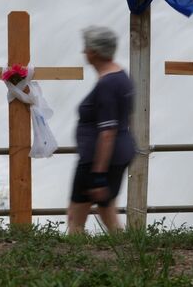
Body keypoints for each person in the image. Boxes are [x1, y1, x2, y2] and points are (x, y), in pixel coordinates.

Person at [68, 26, 136, 234]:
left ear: (94, 52)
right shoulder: (122, 77)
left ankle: (74, 259)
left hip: (98, 159)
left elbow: (108, 132)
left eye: (86, 47)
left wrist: (98, 175)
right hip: (120, 153)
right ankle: (128, 255)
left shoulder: (107, 84)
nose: (83, 52)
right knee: (108, 212)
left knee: (75, 218)